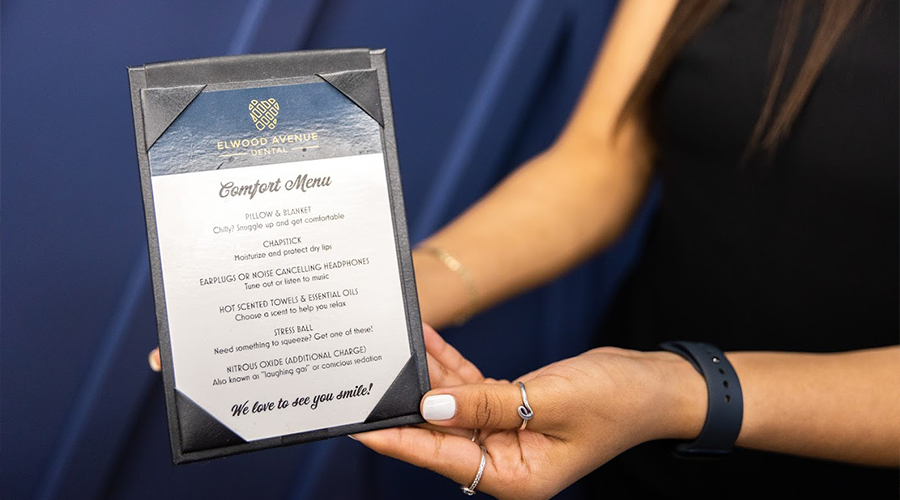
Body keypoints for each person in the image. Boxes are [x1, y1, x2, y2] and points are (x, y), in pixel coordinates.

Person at [151, 0, 899, 497]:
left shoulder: (661, 396)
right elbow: (601, 159)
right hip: (631, 435)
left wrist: (677, 394)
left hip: (691, 410)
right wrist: (382, 296)